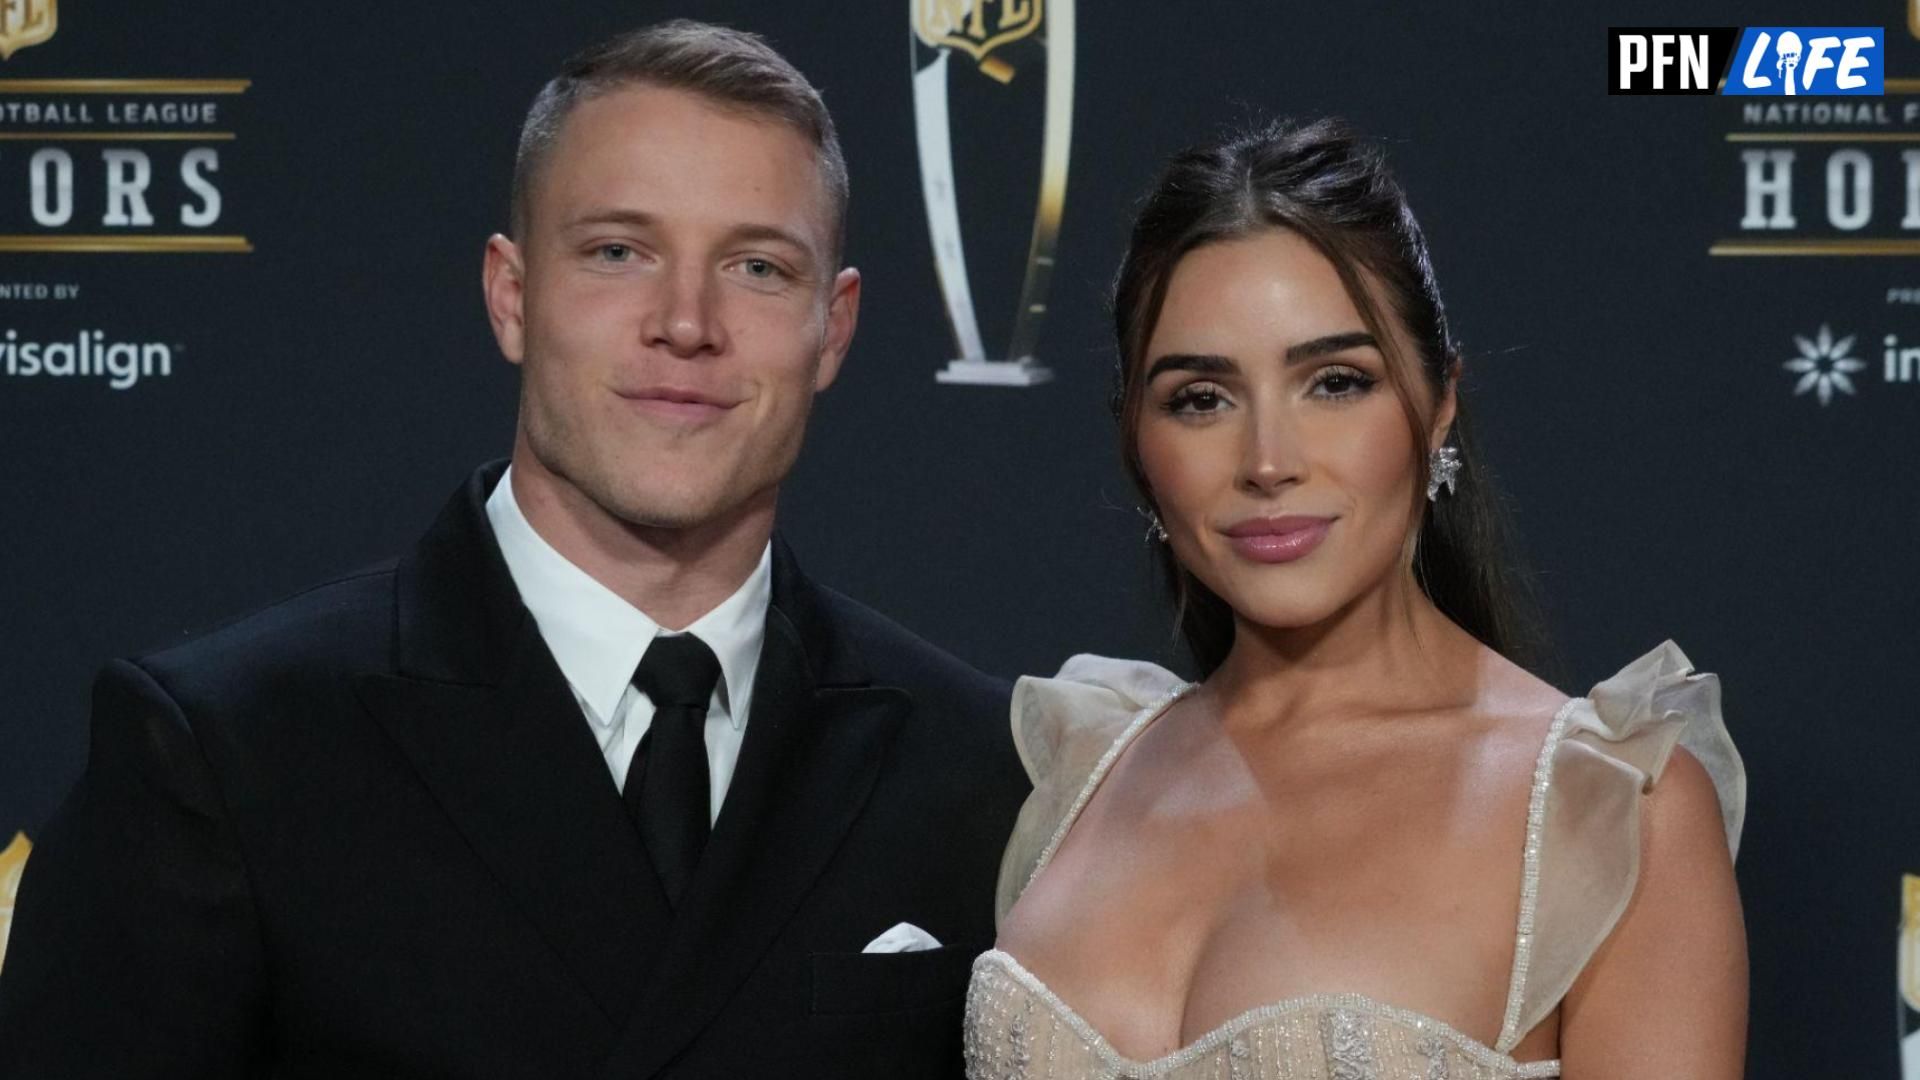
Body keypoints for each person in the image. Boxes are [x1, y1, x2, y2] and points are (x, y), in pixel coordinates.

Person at [0, 21, 1025, 1079]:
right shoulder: (225, 749)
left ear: (834, 327)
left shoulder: (976, 766)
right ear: (513, 296)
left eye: (758, 266)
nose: (685, 322)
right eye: (618, 252)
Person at [964, 119, 1748, 1079]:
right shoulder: (1078, 769)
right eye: (1200, 399)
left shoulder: (1609, 807)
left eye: (1335, 382)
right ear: (1134, 436)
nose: (1267, 462)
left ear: (1440, 401)